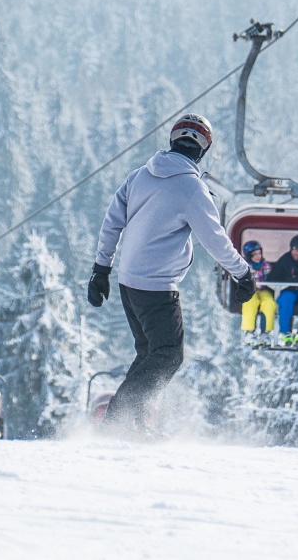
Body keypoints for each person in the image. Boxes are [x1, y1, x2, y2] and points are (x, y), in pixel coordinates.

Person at [88, 113, 255, 439]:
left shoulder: (139, 176)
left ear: (172, 140)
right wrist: (242, 273)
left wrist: (100, 269)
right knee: (168, 356)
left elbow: (112, 223)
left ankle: (132, 425)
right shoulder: (192, 189)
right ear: (203, 149)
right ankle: (118, 422)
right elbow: (214, 239)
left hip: (128, 282)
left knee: (149, 353)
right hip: (157, 287)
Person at [239, 240, 276, 338]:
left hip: (263, 289)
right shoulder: (245, 266)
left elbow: (273, 277)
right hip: (251, 290)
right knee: (250, 301)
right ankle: (249, 330)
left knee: (269, 302)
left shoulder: (266, 265)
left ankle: (266, 331)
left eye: (259, 253)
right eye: (254, 254)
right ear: (249, 256)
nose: (258, 256)